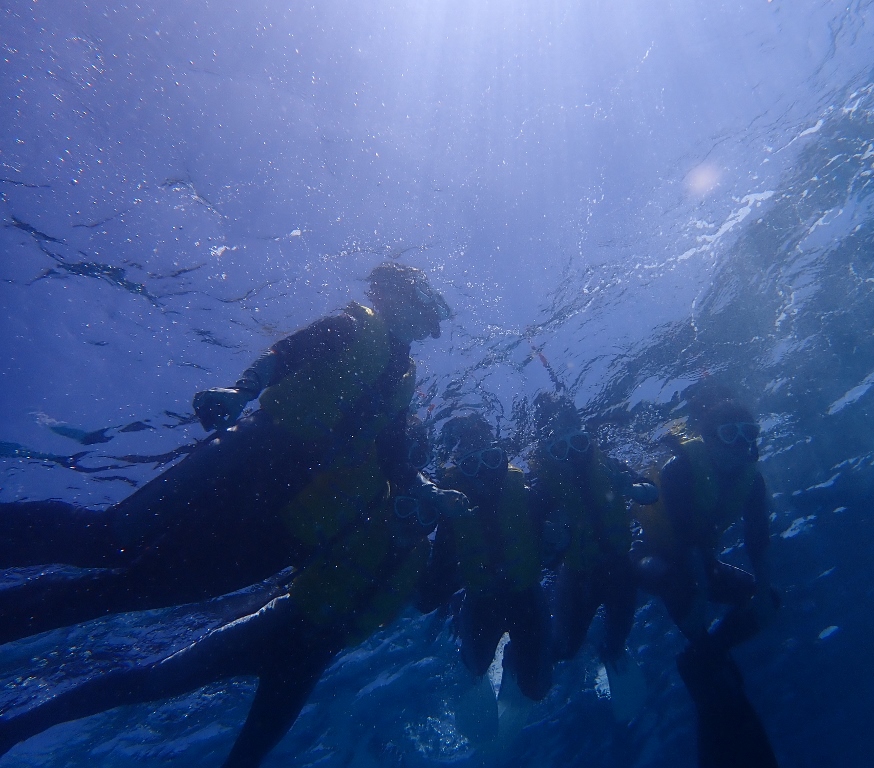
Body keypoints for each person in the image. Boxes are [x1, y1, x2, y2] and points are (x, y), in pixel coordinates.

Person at [0, 262, 467, 768]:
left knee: (136, 589)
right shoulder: (355, 327)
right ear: (397, 296)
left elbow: (396, 458)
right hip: (252, 458)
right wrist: (241, 390)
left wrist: (430, 492)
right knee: (109, 540)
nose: (432, 323)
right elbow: (287, 354)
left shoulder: (401, 379)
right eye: (425, 305)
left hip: (284, 521)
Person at [632, 398, 779, 768]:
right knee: (679, 585)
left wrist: (761, 593)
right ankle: (705, 654)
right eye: (729, 435)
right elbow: (686, 539)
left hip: (700, 562)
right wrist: (697, 597)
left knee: (769, 600)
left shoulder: (751, 479)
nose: (740, 445)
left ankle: (706, 654)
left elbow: (757, 539)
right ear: (708, 439)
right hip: (654, 558)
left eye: (748, 435)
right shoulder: (679, 468)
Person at [528, 393, 657, 700]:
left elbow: (651, 493)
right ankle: (522, 656)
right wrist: (549, 537)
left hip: (620, 567)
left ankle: (611, 654)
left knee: (618, 637)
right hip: (577, 576)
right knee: (566, 647)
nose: (572, 454)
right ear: (549, 451)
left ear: (586, 439)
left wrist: (631, 487)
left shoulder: (609, 467)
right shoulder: (544, 487)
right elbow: (537, 547)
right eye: (561, 448)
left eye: (578, 443)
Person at [420, 413, 552, 705]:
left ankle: (512, 663)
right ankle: (459, 617)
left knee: (537, 689)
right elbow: (434, 579)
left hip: (526, 596)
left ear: (503, 459)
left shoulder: (527, 495)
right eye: (470, 465)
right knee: (475, 666)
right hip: (480, 600)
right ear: (461, 470)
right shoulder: (452, 511)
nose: (483, 473)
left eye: (491, 459)